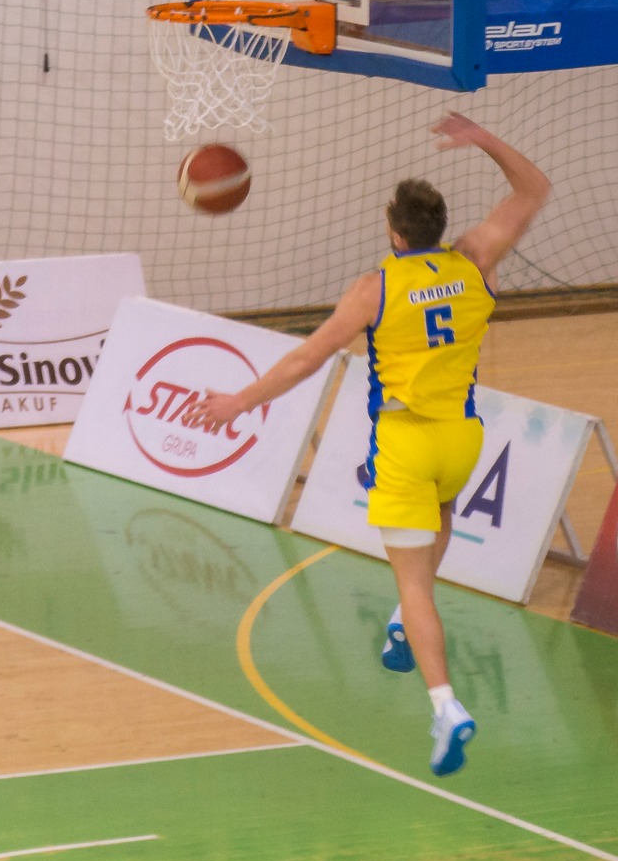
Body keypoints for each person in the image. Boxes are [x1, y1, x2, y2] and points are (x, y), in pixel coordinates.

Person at [193, 112, 549, 777]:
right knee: (439, 517)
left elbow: (307, 359)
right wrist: (484, 140)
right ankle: (400, 623)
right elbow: (534, 190)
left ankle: (445, 705)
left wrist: (239, 401)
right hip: (463, 439)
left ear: (394, 232)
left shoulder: (373, 289)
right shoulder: (476, 259)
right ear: (437, 228)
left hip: (405, 445)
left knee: (414, 587)